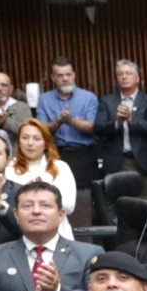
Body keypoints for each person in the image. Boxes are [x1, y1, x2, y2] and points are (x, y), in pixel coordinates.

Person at [96, 60, 147, 206]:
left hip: (144, 162)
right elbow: (98, 128)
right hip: (117, 162)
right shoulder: (107, 101)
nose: (124, 77)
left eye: (128, 73)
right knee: (118, 206)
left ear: (137, 78)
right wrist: (117, 123)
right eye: (120, 74)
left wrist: (131, 120)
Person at [34, 57, 101, 195]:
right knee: (56, 194)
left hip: (84, 155)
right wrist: (57, 122)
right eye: (60, 75)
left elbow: (92, 127)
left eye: (68, 74)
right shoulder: (44, 99)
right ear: (53, 78)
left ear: (74, 75)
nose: (65, 78)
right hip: (56, 154)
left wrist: (69, 120)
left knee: (85, 197)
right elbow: (40, 130)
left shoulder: (88, 97)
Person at [7, 119, 78, 238]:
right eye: (25, 138)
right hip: (17, 234)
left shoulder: (60, 167)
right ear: (19, 142)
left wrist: (43, 192)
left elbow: (69, 206)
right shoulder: (8, 169)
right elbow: (6, 206)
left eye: (37, 138)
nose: (30, 143)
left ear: (46, 142)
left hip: (58, 234)